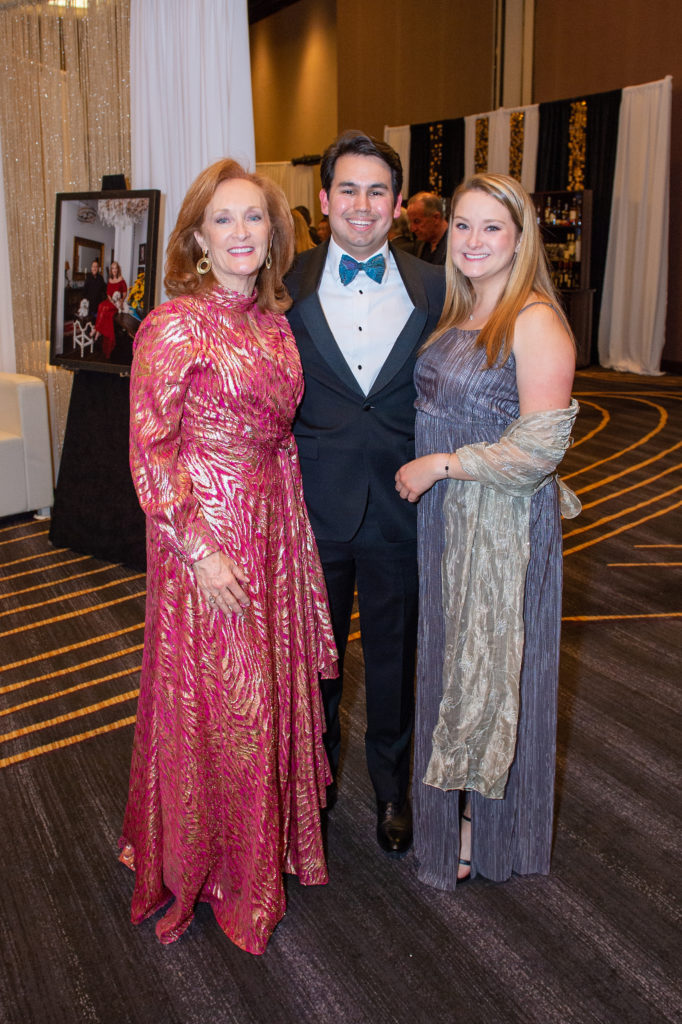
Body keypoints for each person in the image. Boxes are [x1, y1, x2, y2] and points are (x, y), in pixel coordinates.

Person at [119, 158, 337, 955]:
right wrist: (202, 549)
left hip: (273, 527)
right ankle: (215, 866)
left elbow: (280, 440)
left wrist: (288, 540)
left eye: (256, 218)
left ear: (275, 234)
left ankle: (254, 850)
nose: (244, 232)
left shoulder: (274, 324)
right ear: (199, 238)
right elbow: (151, 449)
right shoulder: (174, 324)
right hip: (207, 537)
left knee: (259, 694)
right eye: (226, 220)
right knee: (226, 699)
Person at [395, 172, 581, 889]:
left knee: (499, 675)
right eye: (464, 226)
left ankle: (494, 832)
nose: (474, 241)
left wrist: (440, 464)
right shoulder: (462, 309)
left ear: (520, 237)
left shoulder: (534, 320)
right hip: (449, 522)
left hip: (500, 525)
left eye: (491, 228)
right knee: (452, 670)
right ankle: (454, 819)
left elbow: (539, 450)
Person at [285, 130, 445, 857]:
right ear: (324, 201)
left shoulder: (436, 288)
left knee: (393, 664)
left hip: (401, 510)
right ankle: (310, 796)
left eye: (376, 191)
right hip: (311, 512)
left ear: (398, 204)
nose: (361, 204)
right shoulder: (280, 285)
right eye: (347, 189)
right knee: (312, 671)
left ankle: (391, 792)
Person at [94, 260, 127, 358]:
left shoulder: (121, 280)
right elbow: (108, 294)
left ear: (118, 269)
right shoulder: (110, 280)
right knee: (101, 305)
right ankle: (98, 330)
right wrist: (110, 300)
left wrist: (120, 300)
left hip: (117, 303)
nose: (114, 270)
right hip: (111, 301)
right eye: (112, 268)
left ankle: (97, 330)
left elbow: (125, 293)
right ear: (111, 270)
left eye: (115, 268)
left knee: (104, 309)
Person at [407, 192, 449, 264]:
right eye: (410, 222)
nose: (412, 229)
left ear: (436, 218)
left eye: (417, 221)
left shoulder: (455, 245)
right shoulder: (419, 244)